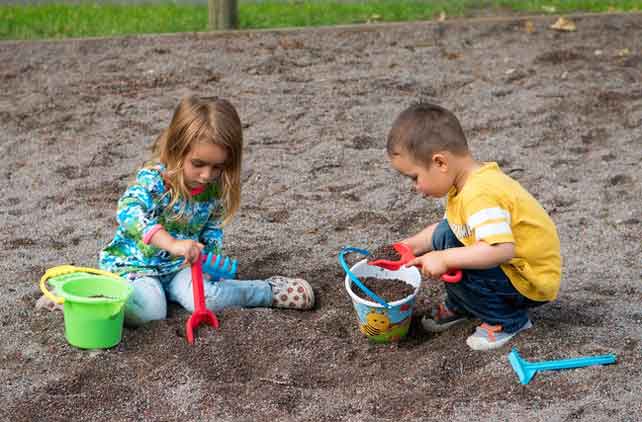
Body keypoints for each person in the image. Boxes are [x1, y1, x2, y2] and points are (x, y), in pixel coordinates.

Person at [38, 96, 313, 325]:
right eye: (198, 163)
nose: (207, 175)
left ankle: (268, 291)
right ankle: (81, 294)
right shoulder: (154, 180)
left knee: (208, 300)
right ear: (175, 150)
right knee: (149, 312)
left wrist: (207, 258)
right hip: (138, 266)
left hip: (181, 267)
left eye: (218, 167)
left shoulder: (214, 189)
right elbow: (128, 211)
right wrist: (170, 243)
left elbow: (212, 229)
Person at [386, 102, 561, 351]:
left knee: (459, 260)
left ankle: (508, 321)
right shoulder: (465, 184)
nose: (416, 187)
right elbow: (449, 228)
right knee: (449, 234)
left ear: (440, 163)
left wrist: (444, 258)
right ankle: (464, 305)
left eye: (415, 177)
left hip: (528, 279)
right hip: (512, 268)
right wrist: (410, 246)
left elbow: (500, 250)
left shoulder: (480, 194)